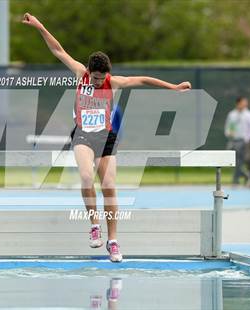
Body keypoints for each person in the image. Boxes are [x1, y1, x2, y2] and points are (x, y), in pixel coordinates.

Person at [22, 13, 191, 262]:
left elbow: (143, 79)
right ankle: (94, 226)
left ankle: (113, 241)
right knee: (86, 176)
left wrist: (173, 87)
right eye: (96, 78)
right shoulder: (80, 74)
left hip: (106, 137)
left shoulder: (113, 83)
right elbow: (58, 50)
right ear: (89, 71)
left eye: (102, 78)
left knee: (110, 187)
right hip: (82, 136)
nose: (99, 82)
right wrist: (40, 27)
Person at [224, 97, 250, 186]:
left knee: (239, 161)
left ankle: (235, 180)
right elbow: (227, 127)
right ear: (238, 103)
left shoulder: (248, 115)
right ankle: (247, 175)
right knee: (232, 161)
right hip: (233, 141)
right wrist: (229, 133)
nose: (245, 104)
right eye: (244, 102)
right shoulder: (232, 114)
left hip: (243, 141)